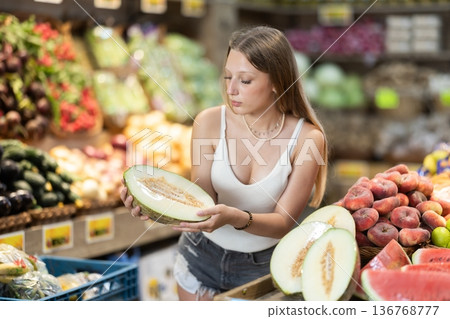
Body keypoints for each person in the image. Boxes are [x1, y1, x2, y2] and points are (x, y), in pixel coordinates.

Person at [120, 25, 328, 301]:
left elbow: (282, 223)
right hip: (198, 258)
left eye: (245, 80)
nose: (231, 89)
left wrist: (235, 217)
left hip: (262, 270)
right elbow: (200, 197)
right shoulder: (208, 122)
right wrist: (155, 203)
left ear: (277, 81)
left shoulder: (307, 139)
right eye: (228, 76)